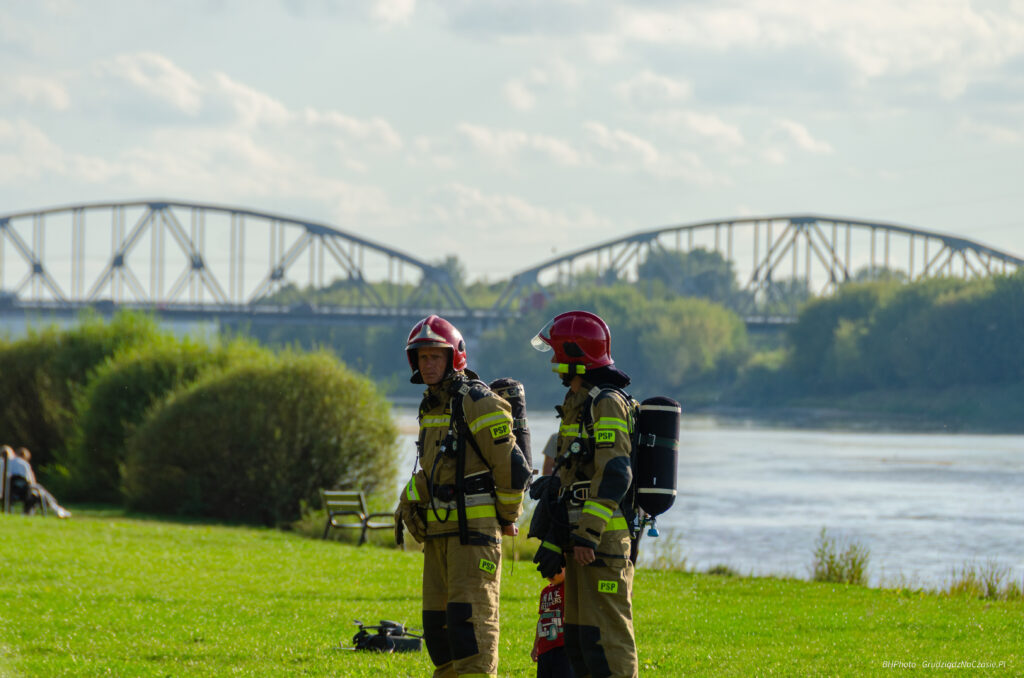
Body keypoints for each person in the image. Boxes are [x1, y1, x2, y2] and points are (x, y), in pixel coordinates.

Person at [394, 314, 530, 678]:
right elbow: (433, 470)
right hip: (438, 536)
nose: (428, 364)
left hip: (474, 538)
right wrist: (409, 500)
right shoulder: (431, 407)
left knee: (470, 630)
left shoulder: (477, 401)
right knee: (439, 633)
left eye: (435, 356)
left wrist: (507, 516)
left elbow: (512, 470)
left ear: (454, 357)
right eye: (421, 357)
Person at [529, 310, 639, 678]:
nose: (553, 362)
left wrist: (588, 534)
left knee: (605, 642)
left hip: (601, 539)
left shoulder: (605, 402)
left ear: (575, 356)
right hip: (580, 540)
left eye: (557, 353)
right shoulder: (577, 405)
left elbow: (614, 473)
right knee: (578, 642)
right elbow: (574, 476)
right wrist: (555, 536)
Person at [531, 566, 574, 678]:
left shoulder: (569, 587)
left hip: (563, 649)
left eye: (557, 568)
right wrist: (536, 646)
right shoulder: (545, 591)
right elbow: (542, 619)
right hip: (544, 650)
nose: (551, 573)